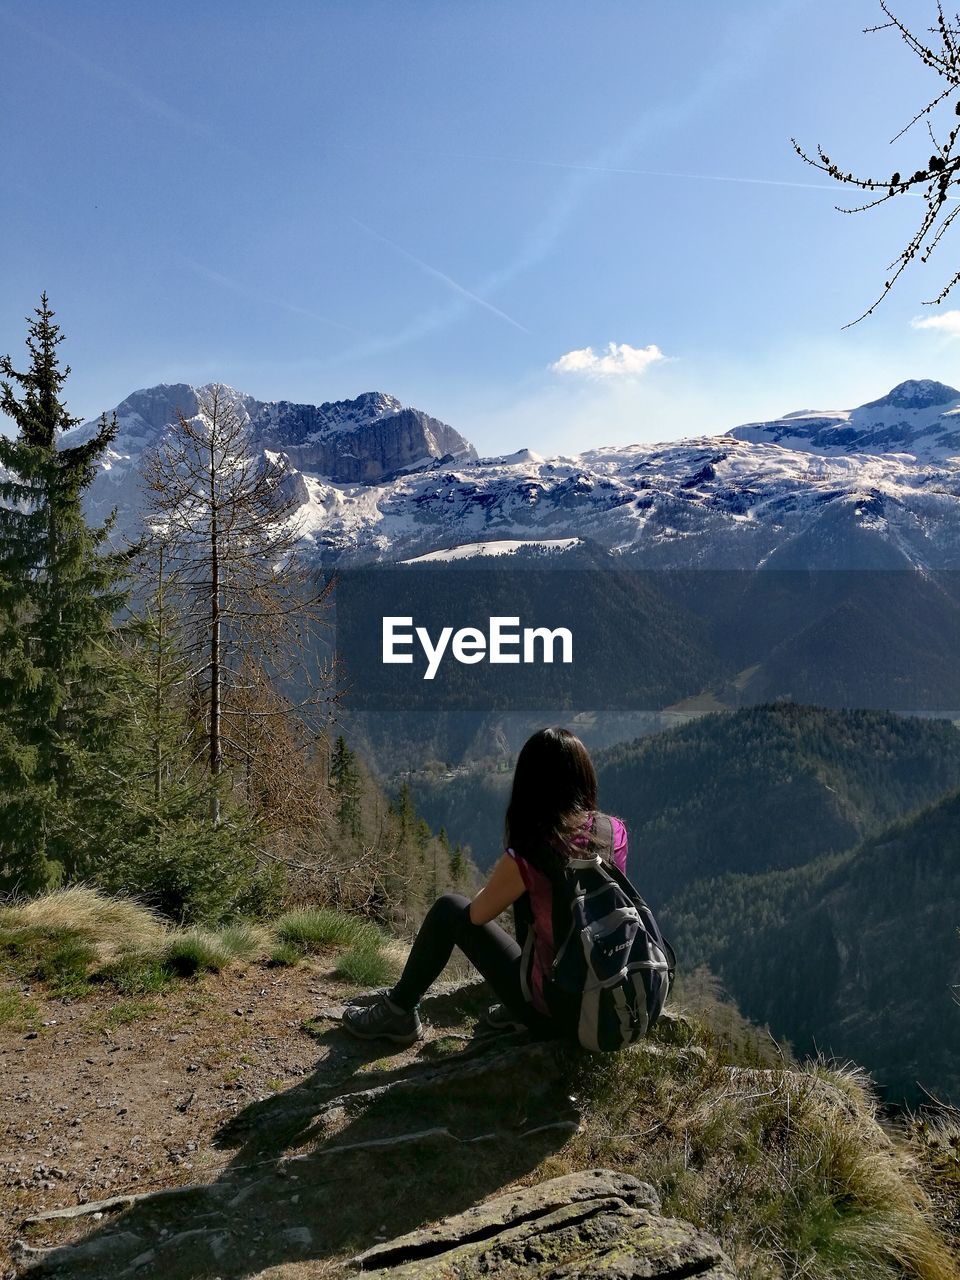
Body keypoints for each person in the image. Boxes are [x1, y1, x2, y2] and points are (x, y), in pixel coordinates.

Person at [341, 726, 629, 1046]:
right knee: (538, 902)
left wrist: (501, 880)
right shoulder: (613, 831)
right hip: (610, 1003)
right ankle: (521, 1005)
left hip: (560, 1018)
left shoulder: (534, 850)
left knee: (449, 908)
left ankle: (398, 1012)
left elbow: (477, 916)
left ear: (530, 784)